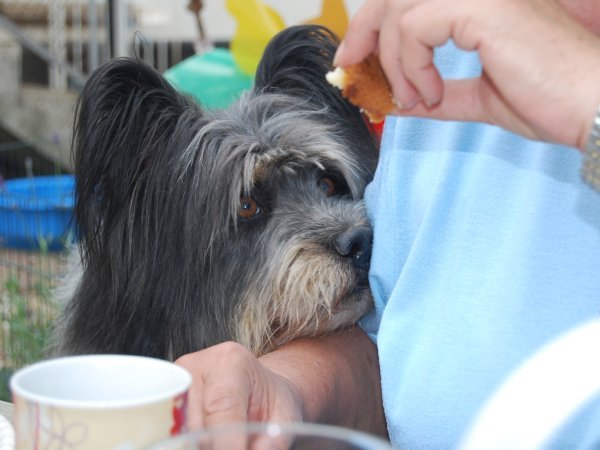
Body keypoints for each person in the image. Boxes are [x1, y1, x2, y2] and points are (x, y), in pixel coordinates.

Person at [176, 0, 600, 447]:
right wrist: (286, 388)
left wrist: (587, 103)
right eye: (249, 209)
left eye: (327, 186)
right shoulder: (446, 51)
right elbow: (397, 354)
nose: (348, 229)